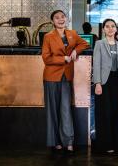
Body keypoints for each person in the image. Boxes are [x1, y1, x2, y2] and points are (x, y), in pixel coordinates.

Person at [42, 10, 89, 153]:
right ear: (52, 21)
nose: (60, 19)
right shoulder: (48, 36)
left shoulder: (72, 33)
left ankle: (68, 141)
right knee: (53, 110)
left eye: (62, 17)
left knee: (66, 109)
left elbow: (85, 44)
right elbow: (46, 58)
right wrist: (63, 59)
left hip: (67, 76)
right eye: (57, 18)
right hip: (51, 77)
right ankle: (55, 141)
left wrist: (75, 51)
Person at [92, 18, 118, 154]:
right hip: (104, 82)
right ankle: (103, 144)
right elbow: (96, 64)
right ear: (103, 29)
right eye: (107, 26)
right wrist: (98, 83)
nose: (110, 29)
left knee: (114, 112)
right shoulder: (99, 44)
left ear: (116, 29)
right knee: (103, 113)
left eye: (113, 26)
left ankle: (113, 143)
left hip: (116, 81)